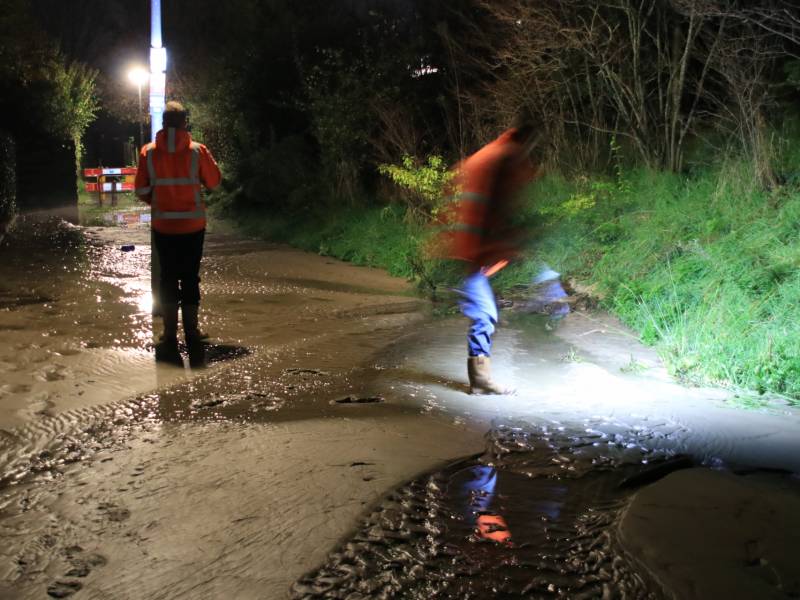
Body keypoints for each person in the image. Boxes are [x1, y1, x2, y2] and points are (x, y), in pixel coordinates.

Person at [440, 117, 540, 394]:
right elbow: (493, 207)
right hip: (471, 254)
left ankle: (480, 378)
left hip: (465, 251)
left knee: (483, 313)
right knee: (484, 314)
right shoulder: (501, 158)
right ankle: (480, 381)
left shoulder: (485, 156)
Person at [135, 101, 221, 366]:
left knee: (168, 278)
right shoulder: (198, 151)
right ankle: (192, 333)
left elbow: (140, 190)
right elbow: (215, 182)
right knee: (190, 277)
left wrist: (159, 203)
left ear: (163, 124)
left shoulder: (149, 152)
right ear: (185, 122)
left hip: (163, 226)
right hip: (193, 226)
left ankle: (170, 334)